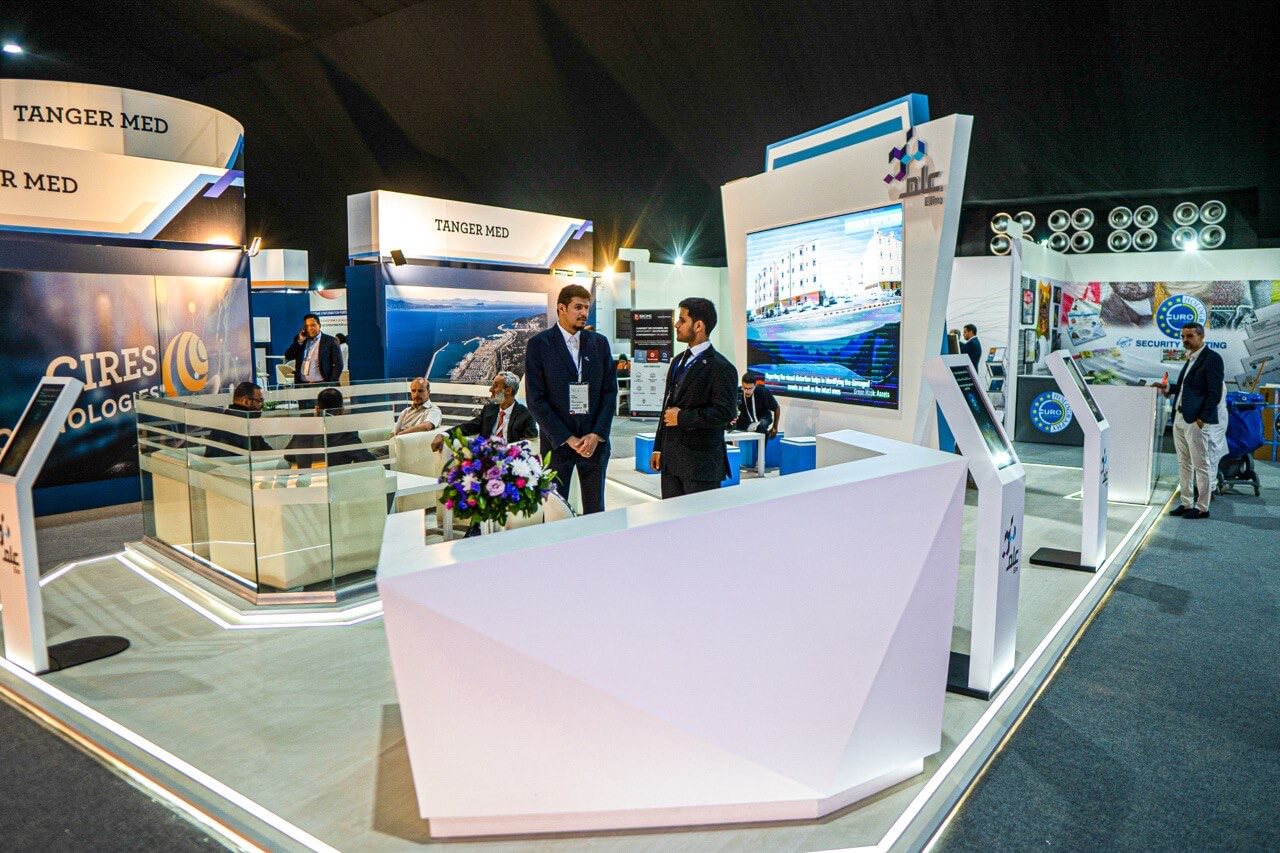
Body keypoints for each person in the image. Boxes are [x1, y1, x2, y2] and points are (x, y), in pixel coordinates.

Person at [524, 284, 618, 514]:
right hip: (557, 444)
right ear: (561, 308)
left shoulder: (599, 343)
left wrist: (596, 435)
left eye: (586, 307)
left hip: (594, 445)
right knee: (556, 511)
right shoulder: (539, 345)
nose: (584, 312)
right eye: (578, 307)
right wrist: (568, 438)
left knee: (595, 510)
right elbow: (535, 400)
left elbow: (609, 392)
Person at [649, 297, 738, 498]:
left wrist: (682, 418)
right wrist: (658, 448)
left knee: (700, 518)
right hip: (671, 461)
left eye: (682, 320)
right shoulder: (677, 361)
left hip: (700, 466)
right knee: (671, 516)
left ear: (698, 326)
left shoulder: (721, 367)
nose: (676, 325)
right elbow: (667, 406)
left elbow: (724, 412)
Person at [1158, 322, 1226, 519]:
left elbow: (1214, 393)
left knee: (1201, 464)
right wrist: (1167, 388)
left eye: (1190, 336)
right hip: (1180, 417)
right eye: (1183, 336)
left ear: (1201, 336)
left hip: (1195, 420)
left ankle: (1202, 507)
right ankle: (1186, 503)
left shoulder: (1212, 358)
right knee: (1184, 463)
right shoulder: (1190, 357)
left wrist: (1202, 418)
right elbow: (1185, 389)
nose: (1185, 340)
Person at [431, 372, 537, 452]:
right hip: (485, 459)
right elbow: (468, 427)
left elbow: (531, 442)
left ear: (508, 391)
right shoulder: (489, 410)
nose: (490, 389)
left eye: (495, 386)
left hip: (509, 461)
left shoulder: (526, 414)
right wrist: (444, 434)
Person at [286, 387, 376, 467]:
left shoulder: (304, 429)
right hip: (337, 479)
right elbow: (366, 460)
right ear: (341, 410)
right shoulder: (346, 433)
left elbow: (288, 456)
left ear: (317, 409)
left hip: (307, 479)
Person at [205, 381, 268, 457]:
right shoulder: (240, 424)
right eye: (260, 401)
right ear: (245, 401)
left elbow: (262, 448)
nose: (262, 406)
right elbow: (258, 451)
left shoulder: (231, 418)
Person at [284, 313, 342, 385]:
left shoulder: (330, 341)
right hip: (302, 385)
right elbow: (288, 356)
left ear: (319, 325)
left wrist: (331, 382)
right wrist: (300, 342)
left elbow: (339, 364)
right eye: (307, 326)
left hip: (323, 384)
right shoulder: (300, 340)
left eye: (313, 325)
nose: (310, 328)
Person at [732, 371, 780, 439]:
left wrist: (775, 427)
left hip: (763, 417)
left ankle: (763, 444)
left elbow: (777, 408)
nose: (747, 391)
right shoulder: (738, 392)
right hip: (746, 419)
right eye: (745, 388)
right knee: (732, 427)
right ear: (742, 385)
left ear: (755, 385)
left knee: (761, 426)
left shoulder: (762, 392)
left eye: (750, 388)